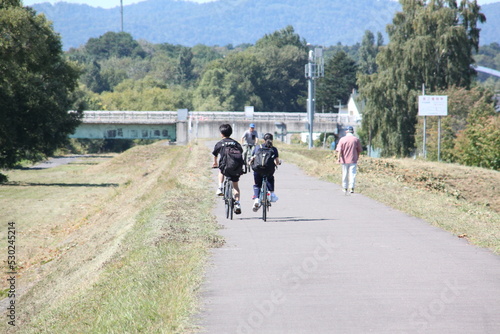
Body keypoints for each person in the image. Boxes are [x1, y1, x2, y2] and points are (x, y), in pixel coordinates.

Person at [212, 124, 243, 214]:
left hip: (225, 167)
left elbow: (215, 154)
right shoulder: (236, 143)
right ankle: (237, 203)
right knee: (236, 186)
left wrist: (215, 163)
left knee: (221, 170)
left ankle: (220, 187)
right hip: (236, 167)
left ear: (222, 133)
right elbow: (241, 152)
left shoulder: (220, 143)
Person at [250, 133, 281, 212]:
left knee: (257, 184)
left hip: (258, 169)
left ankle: (256, 199)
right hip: (268, 170)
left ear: (263, 140)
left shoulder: (258, 147)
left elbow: (252, 158)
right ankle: (272, 194)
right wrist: (278, 163)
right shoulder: (274, 149)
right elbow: (277, 162)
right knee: (270, 178)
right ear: (272, 140)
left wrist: (249, 163)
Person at [336, 126, 362, 194]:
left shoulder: (342, 139)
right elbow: (359, 150)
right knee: (352, 174)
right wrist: (357, 157)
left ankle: (344, 187)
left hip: (344, 160)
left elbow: (339, 150)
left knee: (345, 174)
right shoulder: (356, 139)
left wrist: (338, 158)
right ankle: (351, 188)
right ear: (352, 131)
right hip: (353, 160)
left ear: (346, 131)